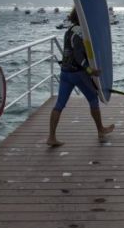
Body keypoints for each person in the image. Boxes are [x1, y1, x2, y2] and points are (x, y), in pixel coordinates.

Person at [47, 8, 114, 146]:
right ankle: (100, 130)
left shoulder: (69, 30)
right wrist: (91, 71)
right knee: (93, 100)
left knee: (59, 104)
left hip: (65, 72)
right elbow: (78, 57)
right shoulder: (79, 33)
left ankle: (51, 137)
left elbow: (70, 52)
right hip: (78, 74)